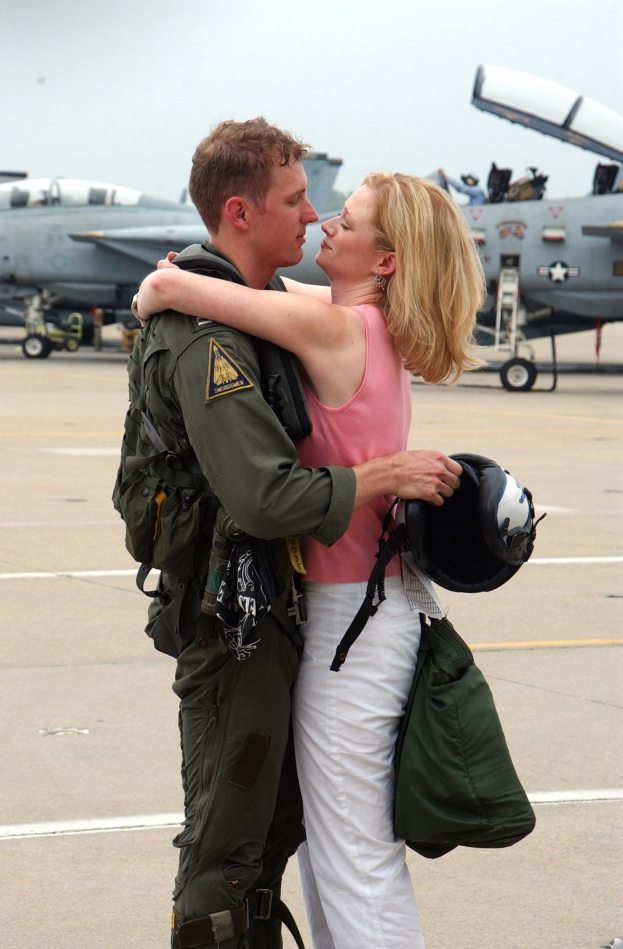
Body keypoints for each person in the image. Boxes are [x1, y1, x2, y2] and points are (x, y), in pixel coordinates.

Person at [125, 118, 466, 949]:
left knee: (344, 850)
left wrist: (160, 288)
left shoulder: (336, 327)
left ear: (383, 261)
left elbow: (208, 297)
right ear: (241, 212)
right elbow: (252, 303)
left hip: (344, 617)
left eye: (338, 217)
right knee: (301, 844)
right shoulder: (331, 315)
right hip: (318, 614)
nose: (319, 220)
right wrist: (167, 293)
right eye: (301, 201)